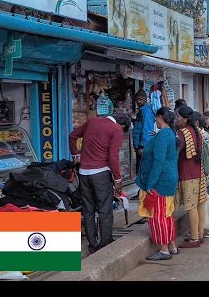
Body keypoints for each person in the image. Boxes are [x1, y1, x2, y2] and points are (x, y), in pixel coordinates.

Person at [69, 113, 132, 254]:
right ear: (122, 125)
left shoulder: (92, 121)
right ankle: (105, 243)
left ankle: (92, 245)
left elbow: (72, 135)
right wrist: (117, 179)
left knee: (88, 209)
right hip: (101, 173)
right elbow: (113, 155)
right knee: (105, 209)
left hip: (84, 173)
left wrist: (75, 155)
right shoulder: (116, 129)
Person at [136, 107, 180, 261]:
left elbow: (158, 161)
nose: (154, 121)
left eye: (155, 118)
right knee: (167, 214)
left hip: (160, 181)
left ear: (160, 117)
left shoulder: (163, 135)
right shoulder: (170, 134)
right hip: (169, 178)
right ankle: (172, 246)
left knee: (158, 216)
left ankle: (164, 250)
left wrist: (150, 184)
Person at [174, 106, 207, 248]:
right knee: (200, 203)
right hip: (199, 171)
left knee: (191, 205)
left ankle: (194, 238)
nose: (176, 119)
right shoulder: (197, 131)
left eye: (178, 116)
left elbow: (176, 152)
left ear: (185, 118)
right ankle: (199, 235)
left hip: (188, 173)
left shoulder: (182, 133)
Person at [133, 89, 156, 176]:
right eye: (137, 100)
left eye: (140, 99)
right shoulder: (144, 110)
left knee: (142, 173)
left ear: (145, 100)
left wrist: (142, 146)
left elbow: (146, 129)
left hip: (143, 147)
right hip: (143, 146)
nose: (138, 101)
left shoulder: (145, 111)